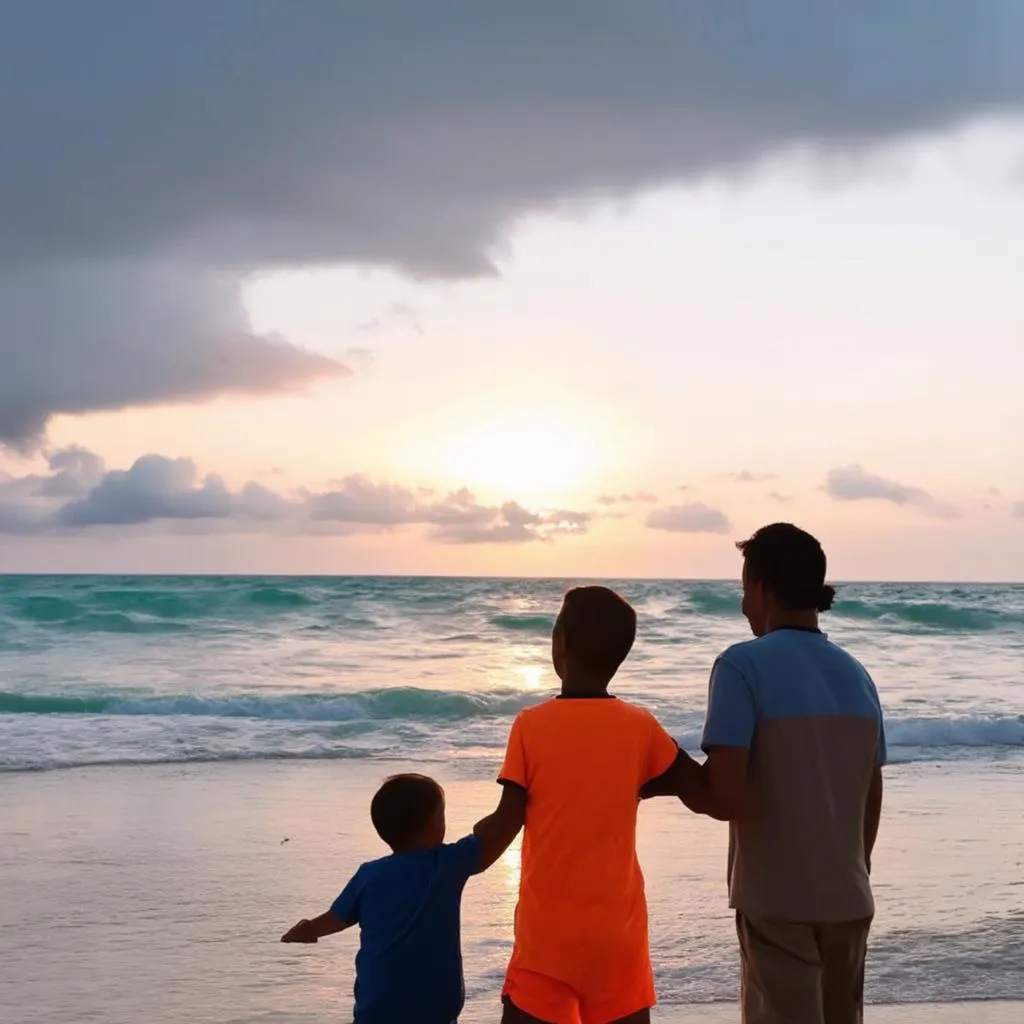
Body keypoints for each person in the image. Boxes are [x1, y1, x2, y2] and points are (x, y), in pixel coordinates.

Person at [643, 523, 886, 1024]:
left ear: (762, 588)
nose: (742, 605)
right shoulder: (857, 674)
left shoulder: (741, 666)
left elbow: (724, 795)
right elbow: (871, 787)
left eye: (742, 590)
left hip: (778, 901)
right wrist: (852, 868)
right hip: (850, 897)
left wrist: (664, 765)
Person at [476, 585, 684, 1024]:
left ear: (560, 645)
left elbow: (505, 821)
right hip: (618, 938)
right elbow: (708, 794)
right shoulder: (640, 727)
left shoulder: (530, 725)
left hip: (546, 941)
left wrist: (447, 860)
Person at [281, 771, 525, 1024]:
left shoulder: (369, 874)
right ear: (434, 821)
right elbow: (503, 827)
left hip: (375, 1010)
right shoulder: (445, 864)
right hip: (433, 1011)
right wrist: (521, 786)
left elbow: (337, 918)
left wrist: (309, 929)